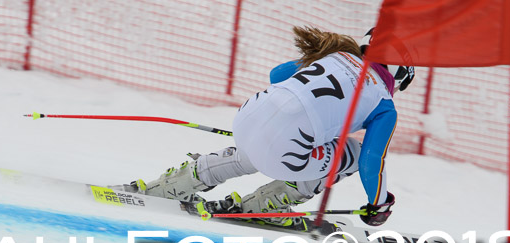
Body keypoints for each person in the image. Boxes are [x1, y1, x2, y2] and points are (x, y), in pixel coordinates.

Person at [127, 26, 414, 229]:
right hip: (285, 151)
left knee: (267, 144)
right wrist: (380, 202)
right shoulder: (385, 105)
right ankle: (266, 204)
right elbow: (371, 160)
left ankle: (181, 182)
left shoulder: (335, 56)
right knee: (353, 151)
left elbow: (277, 75)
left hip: (246, 118)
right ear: (399, 75)